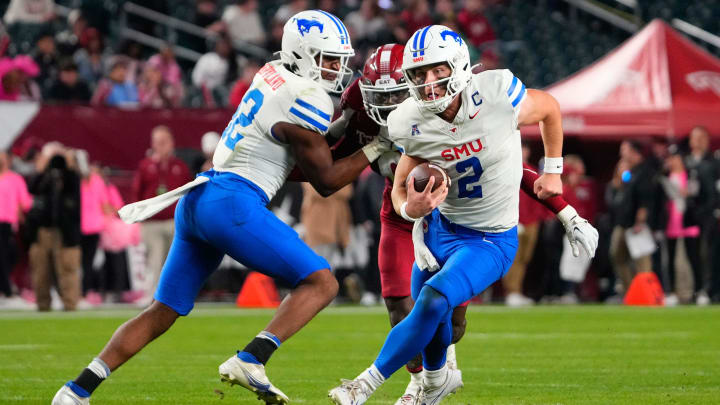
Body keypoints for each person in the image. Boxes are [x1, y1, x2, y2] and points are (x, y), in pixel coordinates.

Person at [52, 10, 390, 405]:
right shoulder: (307, 94)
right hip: (231, 202)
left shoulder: (273, 73)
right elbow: (327, 180)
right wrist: (379, 145)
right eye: (329, 59)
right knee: (322, 281)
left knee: (163, 310)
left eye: (339, 60)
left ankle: (75, 391)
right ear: (302, 54)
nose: (337, 69)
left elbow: (297, 164)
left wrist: (347, 130)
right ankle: (252, 359)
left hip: (200, 197)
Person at [329, 25, 592, 405]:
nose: (429, 82)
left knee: (435, 301)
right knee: (430, 316)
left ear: (459, 65)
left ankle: (364, 385)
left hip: (490, 238)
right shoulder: (407, 119)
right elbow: (402, 183)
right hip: (439, 229)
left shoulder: (497, 92)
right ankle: (436, 382)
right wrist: (409, 208)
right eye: (418, 74)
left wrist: (554, 170)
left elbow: (549, 107)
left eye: (437, 70)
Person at [131, 126, 190, 306]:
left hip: (174, 221)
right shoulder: (145, 166)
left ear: (171, 143)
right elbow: (136, 193)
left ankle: (175, 296)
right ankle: (152, 296)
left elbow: (187, 194)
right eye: (158, 142)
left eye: (164, 142)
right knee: (154, 260)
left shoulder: (179, 166)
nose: (161, 146)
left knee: (175, 260)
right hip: (152, 222)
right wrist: (139, 217)